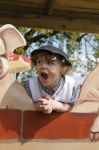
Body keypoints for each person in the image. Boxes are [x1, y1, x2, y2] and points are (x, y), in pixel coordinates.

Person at [23, 38, 80, 114]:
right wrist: (38, 106)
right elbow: (23, 106)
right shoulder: (29, 87)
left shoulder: (72, 87)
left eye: (50, 63)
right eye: (39, 62)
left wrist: (56, 105)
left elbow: (73, 107)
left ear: (63, 69)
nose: (43, 66)